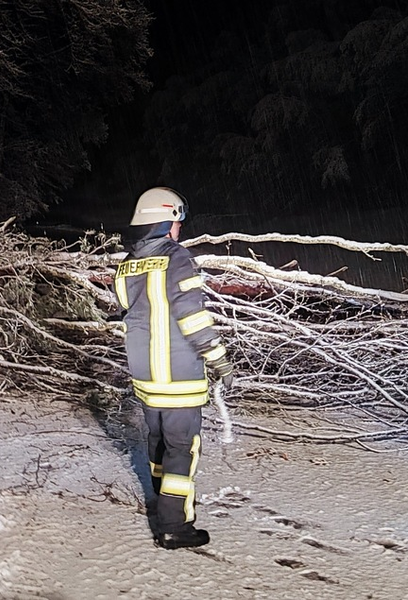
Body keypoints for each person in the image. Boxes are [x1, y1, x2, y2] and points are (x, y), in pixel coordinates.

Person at [113, 187, 234, 550]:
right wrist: (217, 357)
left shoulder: (127, 265)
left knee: (158, 442)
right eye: (177, 221)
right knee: (182, 449)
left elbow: (129, 317)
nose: (180, 229)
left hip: (145, 376)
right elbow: (192, 316)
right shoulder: (177, 259)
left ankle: (163, 501)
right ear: (165, 222)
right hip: (179, 375)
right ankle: (174, 526)